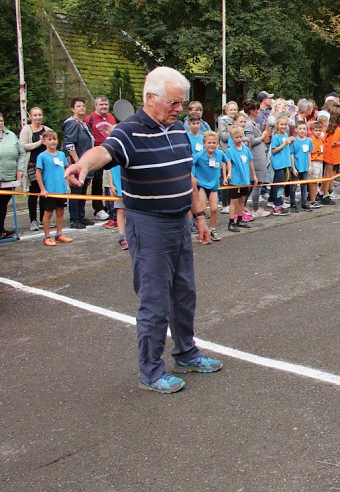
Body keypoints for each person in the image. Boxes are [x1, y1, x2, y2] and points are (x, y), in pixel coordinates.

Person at [65, 66, 223, 394]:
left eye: (182, 103)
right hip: (148, 227)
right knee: (154, 301)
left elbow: (187, 178)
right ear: (150, 98)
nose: (181, 109)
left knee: (184, 294)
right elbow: (103, 152)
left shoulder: (179, 130)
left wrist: (200, 217)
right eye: (174, 103)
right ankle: (151, 371)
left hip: (180, 223)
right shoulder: (129, 131)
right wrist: (82, 163)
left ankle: (186, 353)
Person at [35, 130, 73, 246]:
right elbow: (38, 173)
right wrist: (42, 189)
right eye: (49, 139)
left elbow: (66, 171)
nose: (52, 142)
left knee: (60, 211)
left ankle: (59, 234)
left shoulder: (61, 155)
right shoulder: (42, 156)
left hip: (61, 190)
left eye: (54, 139)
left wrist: (67, 186)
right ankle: (47, 236)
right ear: (44, 142)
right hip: (49, 191)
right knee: (48, 213)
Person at [19, 106, 53, 231]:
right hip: (32, 165)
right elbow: (22, 146)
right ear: (30, 117)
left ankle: (44, 219)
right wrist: (39, 143)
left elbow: (53, 142)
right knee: (34, 192)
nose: (38, 117)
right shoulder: (26, 129)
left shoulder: (47, 129)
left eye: (39, 115)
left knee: (45, 193)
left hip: (46, 166)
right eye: (35, 115)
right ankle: (33, 220)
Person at [62, 97, 95, 229]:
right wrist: (77, 162)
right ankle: (74, 218)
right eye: (78, 106)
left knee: (83, 189)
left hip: (86, 163)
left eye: (83, 106)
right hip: (77, 162)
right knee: (76, 190)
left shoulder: (84, 124)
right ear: (72, 109)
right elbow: (69, 144)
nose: (82, 108)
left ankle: (81, 216)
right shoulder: (72, 123)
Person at [84, 95, 117, 221]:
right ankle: (98, 208)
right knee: (96, 182)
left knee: (109, 182)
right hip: (97, 153)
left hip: (110, 153)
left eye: (106, 104)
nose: (104, 107)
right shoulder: (89, 118)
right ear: (96, 105)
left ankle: (108, 205)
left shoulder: (111, 118)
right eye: (101, 105)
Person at [192, 131, 227, 240]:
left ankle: (212, 229)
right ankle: (201, 230)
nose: (211, 145)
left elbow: (227, 161)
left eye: (214, 143)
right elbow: (189, 164)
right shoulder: (199, 155)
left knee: (214, 209)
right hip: (202, 185)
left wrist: (227, 174)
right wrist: (193, 177)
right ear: (204, 144)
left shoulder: (220, 154)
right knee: (202, 209)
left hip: (213, 186)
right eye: (209, 143)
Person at [226, 124, 257, 231]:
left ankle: (240, 219)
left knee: (242, 200)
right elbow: (228, 162)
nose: (239, 139)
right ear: (231, 137)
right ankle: (231, 222)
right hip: (235, 181)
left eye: (240, 136)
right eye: (236, 137)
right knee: (233, 201)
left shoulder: (246, 149)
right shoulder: (230, 150)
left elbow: (250, 162)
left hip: (245, 179)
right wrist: (229, 173)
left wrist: (254, 175)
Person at [0, 112, 26, 239]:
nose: (0, 123)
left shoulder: (11, 135)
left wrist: (20, 169)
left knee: (3, 204)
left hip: (9, 177)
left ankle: (1, 230)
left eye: (1, 120)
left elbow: (21, 153)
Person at [270, 116, 294, 215]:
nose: (284, 126)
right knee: (278, 186)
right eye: (281, 124)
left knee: (281, 185)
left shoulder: (286, 135)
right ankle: (277, 205)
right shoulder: (276, 137)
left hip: (285, 163)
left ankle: (277, 201)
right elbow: (274, 150)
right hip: (279, 164)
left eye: (285, 124)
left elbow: (287, 148)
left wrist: (290, 142)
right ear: (277, 125)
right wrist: (284, 144)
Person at [289, 122, 313, 211]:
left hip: (304, 167)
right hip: (296, 166)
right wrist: (293, 167)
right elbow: (291, 154)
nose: (302, 131)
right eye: (300, 129)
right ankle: (293, 204)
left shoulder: (308, 141)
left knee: (304, 185)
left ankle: (304, 202)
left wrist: (309, 165)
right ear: (296, 130)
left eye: (304, 129)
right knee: (294, 186)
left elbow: (309, 153)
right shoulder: (294, 141)